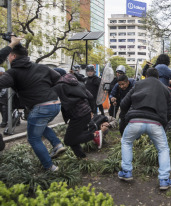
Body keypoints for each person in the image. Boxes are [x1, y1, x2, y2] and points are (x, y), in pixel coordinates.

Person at [0, 36, 66, 171]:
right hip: (55, 104)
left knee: (33, 138)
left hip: (41, 107)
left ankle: (50, 167)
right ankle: (57, 145)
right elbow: (58, 79)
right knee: (37, 124)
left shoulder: (12, 72)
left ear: (12, 56)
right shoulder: (41, 67)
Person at [118, 68, 171, 190]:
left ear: (146, 76)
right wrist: (163, 125)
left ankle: (126, 171)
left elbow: (123, 104)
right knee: (163, 149)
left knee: (126, 142)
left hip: (135, 120)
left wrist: (125, 118)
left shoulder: (138, 84)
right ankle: (164, 179)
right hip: (156, 123)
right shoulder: (165, 89)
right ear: (158, 78)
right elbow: (169, 113)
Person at [53, 69, 109, 158]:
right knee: (74, 137)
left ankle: (95, 135)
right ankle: (82, 157)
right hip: (84, 114)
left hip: (78, 116)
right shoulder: (77, 83)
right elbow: (90, 97)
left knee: (68, 140)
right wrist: (90, 110)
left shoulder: (59, 86)